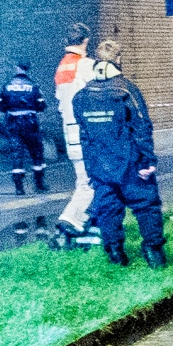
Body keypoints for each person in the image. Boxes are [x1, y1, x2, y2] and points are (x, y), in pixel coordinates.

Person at [70, 38, 168, 267]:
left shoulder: (81, 97)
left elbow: (85, 137)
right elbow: (142, 127)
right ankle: (154, 255)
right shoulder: (126, 89)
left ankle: (116, 255)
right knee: (146, 206)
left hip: (100, 166)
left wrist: (91, 168)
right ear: (118, 59)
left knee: (108, 210)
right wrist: (148, 161)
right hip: (130, 162)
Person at [52, 28, 98, 238]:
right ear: (86, 40)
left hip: (69, 129)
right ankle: (71, 219)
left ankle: (87, 220)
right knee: (90, 181)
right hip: (87, 130)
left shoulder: (62, 66)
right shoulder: (86, 65)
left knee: (86, 178)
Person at [0, 58, 49, 195]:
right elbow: (41, 105)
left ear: (16, 67)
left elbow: (0, 105)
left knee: (16, 153)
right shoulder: (33, 85)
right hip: (30, 122)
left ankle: (19, 187)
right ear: (28, 68)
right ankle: (39, 184)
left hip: (13, 121)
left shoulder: (7, 85)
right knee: (36, 152)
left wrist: (10, 109)